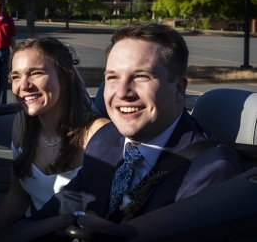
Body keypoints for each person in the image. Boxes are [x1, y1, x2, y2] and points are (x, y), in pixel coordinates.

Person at [21, 22, 242, 239]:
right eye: (113, 77)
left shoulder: (208, 171)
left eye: (141, 76)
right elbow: (52, 217)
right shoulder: (104, 140)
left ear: (178, 89)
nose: (123, 92)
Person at [0, 37, 109, 231]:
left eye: (36, 73)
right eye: (16, 77)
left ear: (67, 78)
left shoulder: (99, 135)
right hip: (31, 230)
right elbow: (17, 197)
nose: (23, 86)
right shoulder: (22, 124)